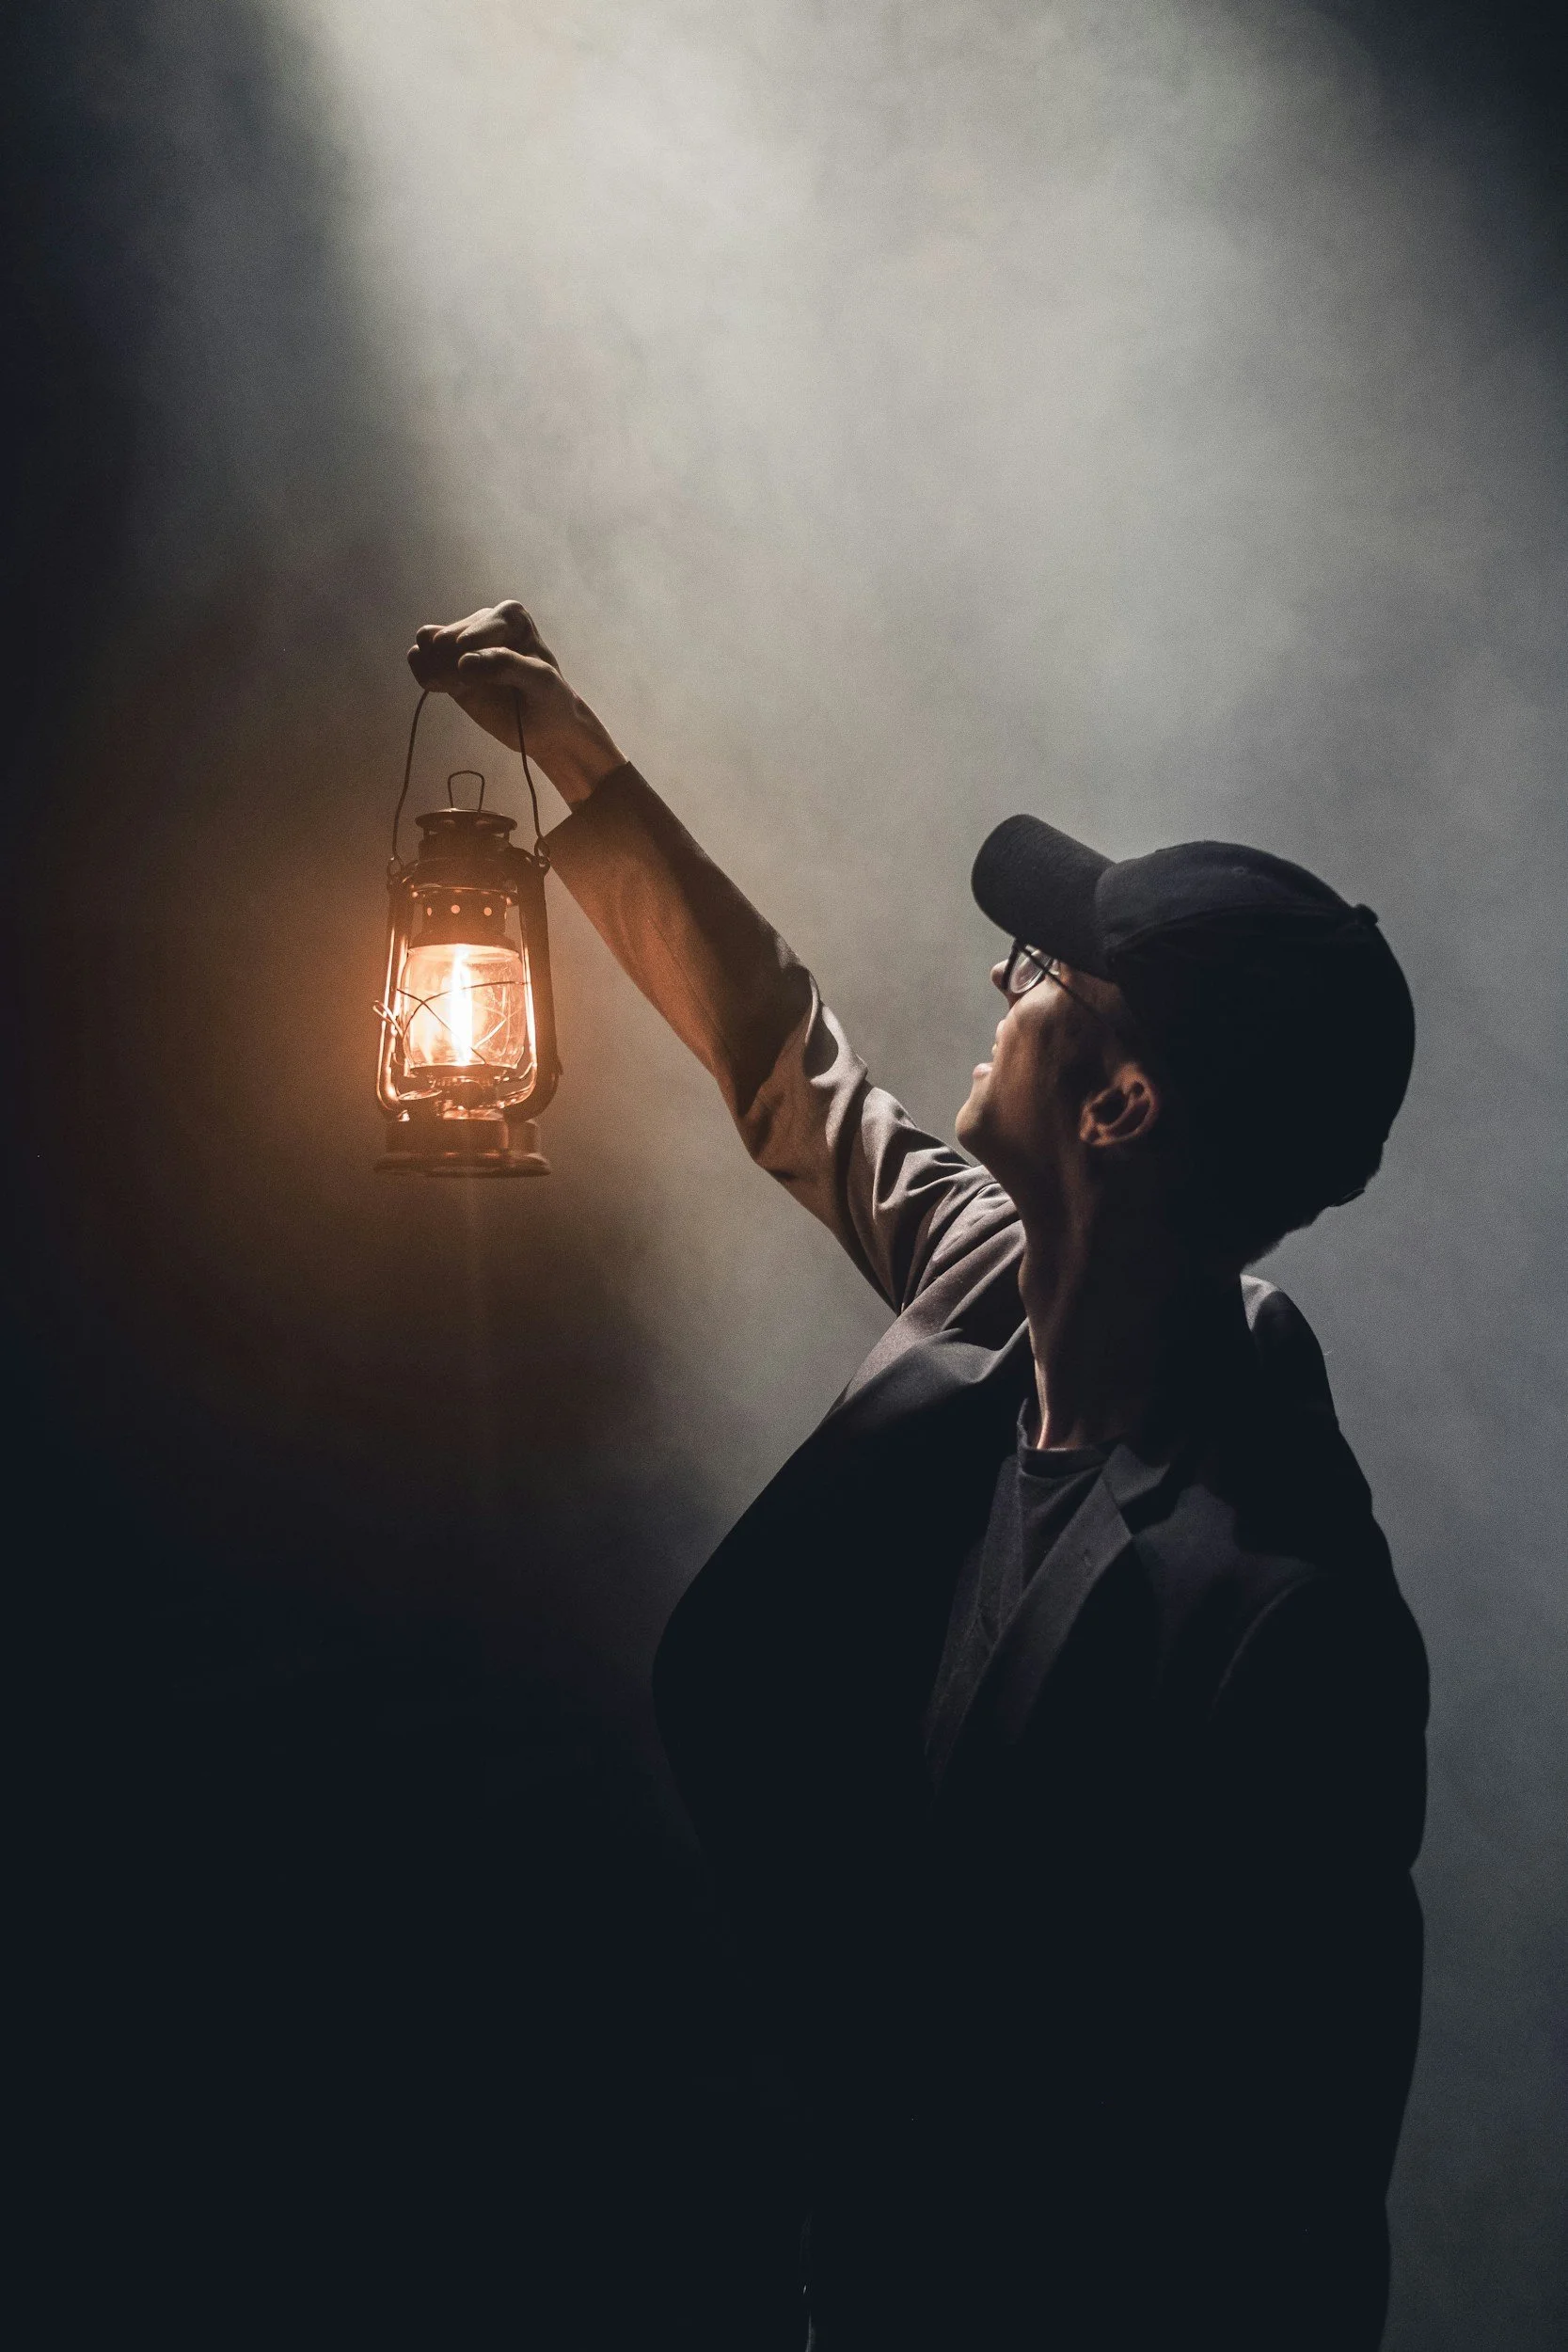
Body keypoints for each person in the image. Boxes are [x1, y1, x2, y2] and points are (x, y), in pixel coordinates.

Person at [408, 602, 1429, 2351]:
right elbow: (784, 1061)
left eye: (1038, 981)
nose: (1001, 989)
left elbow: (1292, 2212)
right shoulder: (990, 1279)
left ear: (1114, 1107)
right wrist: (571, 752)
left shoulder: (1290, 1625)